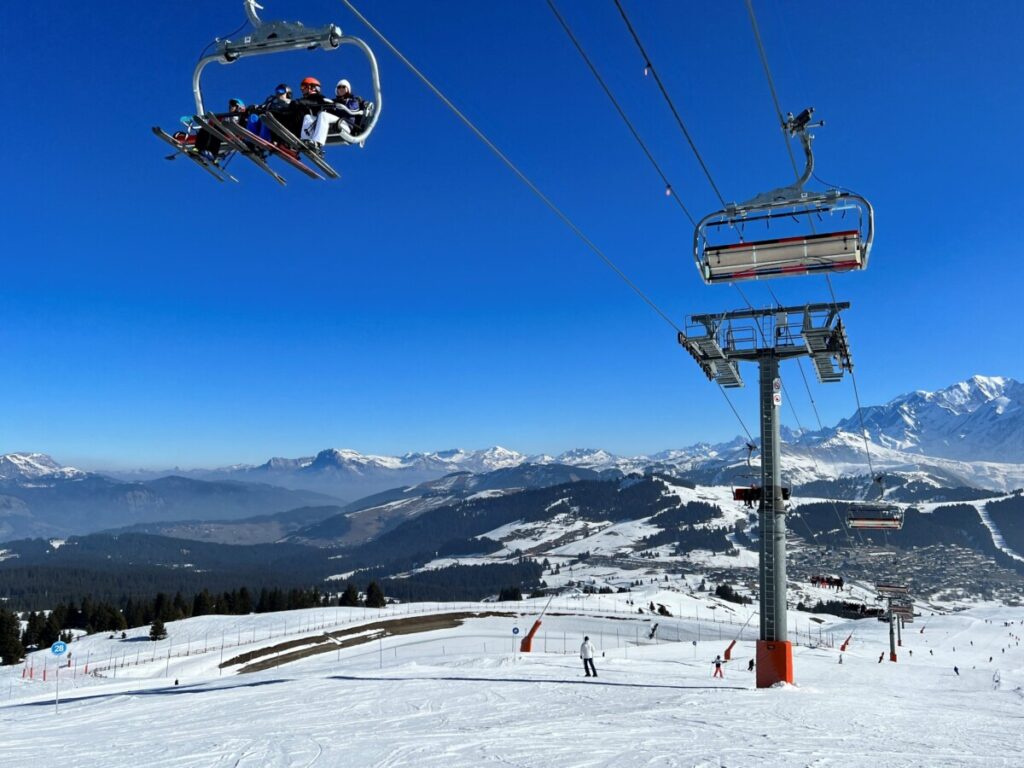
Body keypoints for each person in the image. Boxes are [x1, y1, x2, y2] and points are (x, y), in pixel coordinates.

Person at [195, 98, 246, 163]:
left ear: (238, 107)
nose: (230, 107)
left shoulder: (241, 117)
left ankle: (213, 153)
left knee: (216, 131)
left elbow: (242, 129)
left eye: (232, 106)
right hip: (223, 131)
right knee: (205, 129)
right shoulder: (227, 116)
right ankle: (199, 148)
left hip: (231, 134)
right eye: (230, 106)